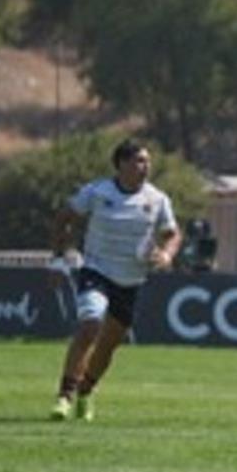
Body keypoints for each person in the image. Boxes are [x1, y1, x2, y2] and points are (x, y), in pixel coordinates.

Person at [47, 138, 181, 421]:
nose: (145, 166)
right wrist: (58, 260)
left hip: (131, 280)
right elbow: (63, 218)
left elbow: (172, 234)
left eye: (147, 161)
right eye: (139, 161)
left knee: (109, 344)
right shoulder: (97, 192)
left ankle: (86, 390)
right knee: (90, 325)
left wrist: (167, 254)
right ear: (121, 164)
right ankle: (64, 396)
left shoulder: (157, 199)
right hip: (96, 271)